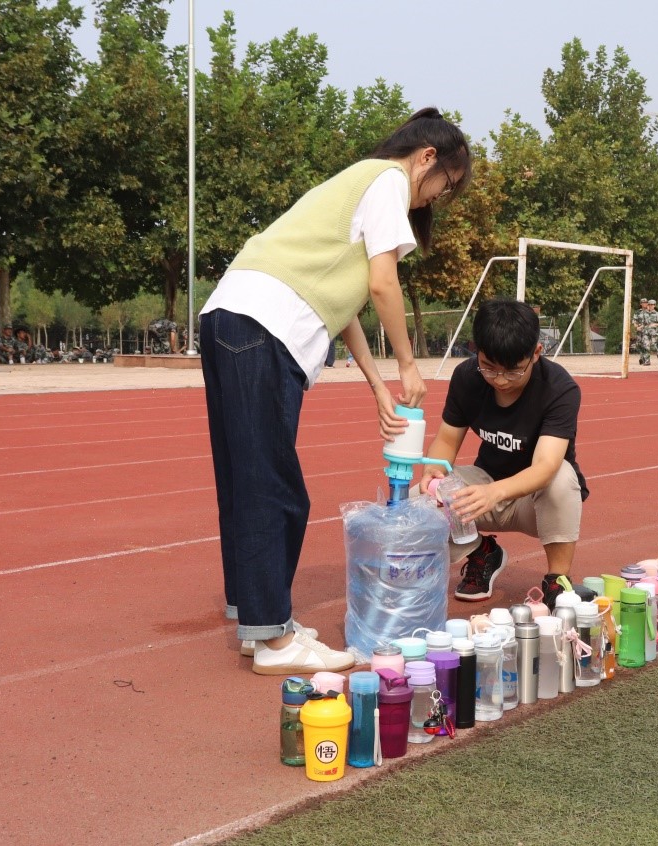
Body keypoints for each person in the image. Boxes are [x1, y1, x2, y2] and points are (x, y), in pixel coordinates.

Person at [198, 107, 472, 675]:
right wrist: (407, 366)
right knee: (276, 489)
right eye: (444, 185)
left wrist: (377, 386)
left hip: (231, 318)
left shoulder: (356, 184)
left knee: (246, 480)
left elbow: (343, 305)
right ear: (427, 158)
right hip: (263, 327)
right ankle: (273, 641)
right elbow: (381, 283)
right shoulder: (388, 180)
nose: (436, 198)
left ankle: (259, 622)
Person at [419, 298, 586, 611]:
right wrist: (434, 474)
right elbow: (446, 440)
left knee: (562, 476)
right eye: (489, 367)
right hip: (485, 488)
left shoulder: (559, 388)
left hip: (536, 502)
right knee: (422, 494)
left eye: (512, 372)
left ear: (536, 353)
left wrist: (494, 492)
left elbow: (546, 466)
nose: (499, 380)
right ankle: (481, 552)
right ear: (476, 350)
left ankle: (557, 581)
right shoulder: (467, 377)